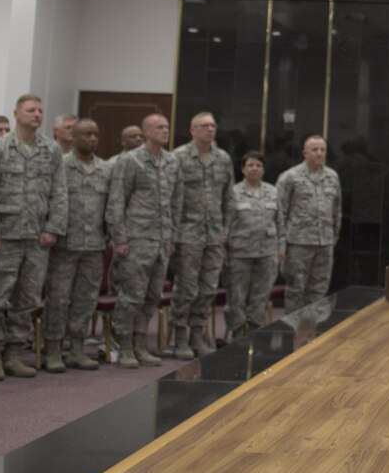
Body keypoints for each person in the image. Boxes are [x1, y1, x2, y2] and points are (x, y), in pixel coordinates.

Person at [0, 93, 67, 381]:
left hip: (36, 237)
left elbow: (59, 192)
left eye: (40, 110)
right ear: (16, 114)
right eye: (30, 110)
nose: (36, 115)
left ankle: (13, 353)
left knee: (26, 299)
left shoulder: (50, 150)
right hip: (4, 237)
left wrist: (53, 228)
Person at [105, 112, 180, 368]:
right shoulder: (131, 161)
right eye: (159, 127)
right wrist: (119, 238)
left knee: (151, 295)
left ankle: (140, 344)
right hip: (136, 240)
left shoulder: (171, 162)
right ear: (146, 132)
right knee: (131, 296)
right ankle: (123, 345)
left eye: (167, 127)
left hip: (161, 241)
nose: (165, 131)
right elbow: (116, 201)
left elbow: (175, 202)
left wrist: (171, 236)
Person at [45, 118, 111, 372]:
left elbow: (111, 207)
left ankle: (76, 348)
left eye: (95, 134)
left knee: (85, 299)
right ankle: (52, 348)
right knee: (58, 299)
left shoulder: (105, 169)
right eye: (86, 134)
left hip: (94, 245)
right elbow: (51, 200)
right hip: (65, 244)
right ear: (73, 136)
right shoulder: (60, 165)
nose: (92, 139)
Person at [168, 113, 232, 358]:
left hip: (214, 235)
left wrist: (225, 229)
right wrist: (172, 234)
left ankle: (197, 334)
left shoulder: (222, 158)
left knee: (207, 289)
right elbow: (172, 198)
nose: (210, 130)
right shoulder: (179, 157)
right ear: (192, 130)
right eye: (204, 126)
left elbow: (228, 197)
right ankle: (181, 338)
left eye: (213, 125)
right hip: (187, 234)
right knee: (185, 289)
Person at [276, 135, 341, 308]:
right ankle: (293, 331)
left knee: (319, 290)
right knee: (296, 291)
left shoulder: (332, 177)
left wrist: (333, 237)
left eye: (322, 150)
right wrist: (281, 245)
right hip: (298, 243)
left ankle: (313, 331)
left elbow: (336, 211)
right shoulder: (290, 177)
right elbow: (279, 213)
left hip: (324, 242)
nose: (319, 153)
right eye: (315, 150)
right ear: (305, 153)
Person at [223, 151, 281, 341]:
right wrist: (223, 251)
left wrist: (282, 247)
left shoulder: (273, 191)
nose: (254, 169)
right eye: (250, 165)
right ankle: (238, 333)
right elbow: (226, 224)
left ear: (263, 170)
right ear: (242, 169)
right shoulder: (233, 192)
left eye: (258, 165)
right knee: (237, 296)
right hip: (239, 253)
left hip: (267, 252)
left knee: (260, 295)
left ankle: (255, 331)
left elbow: (281, 222)